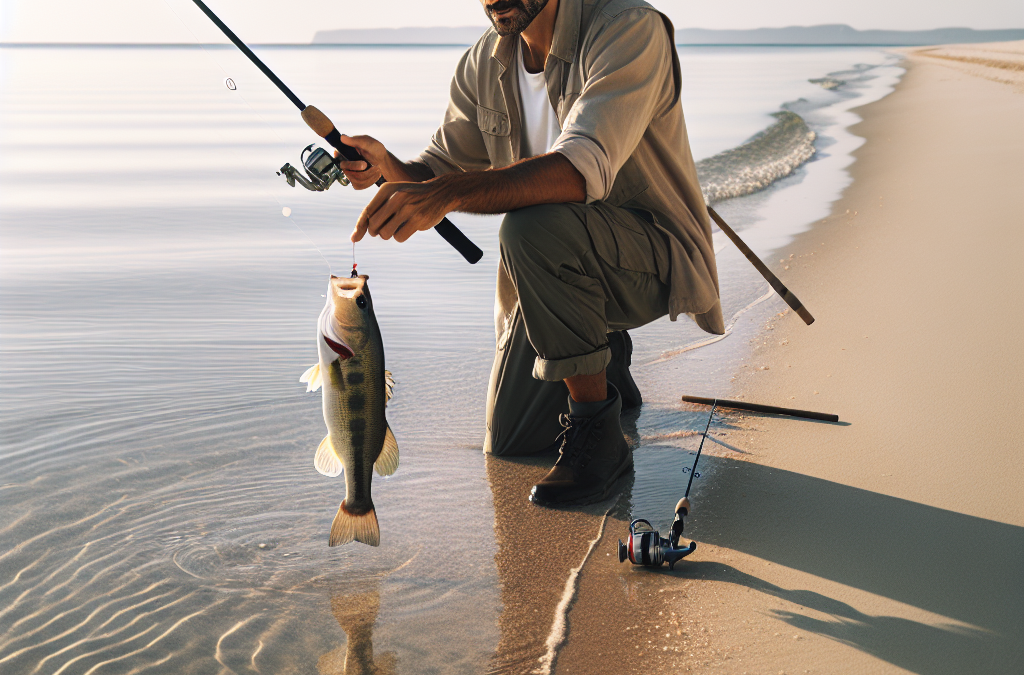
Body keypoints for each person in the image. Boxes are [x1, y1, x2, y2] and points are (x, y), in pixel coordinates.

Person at [336, 0, 724, 506]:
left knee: (531, 227)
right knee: (511, 443)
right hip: (556, 273)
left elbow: (578, 170)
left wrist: (446, 194)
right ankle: (607, 365)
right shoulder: (485, 60)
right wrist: (388, 166)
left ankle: (599, 437)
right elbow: (439, 169)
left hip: (653, 256)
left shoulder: (630, 28)